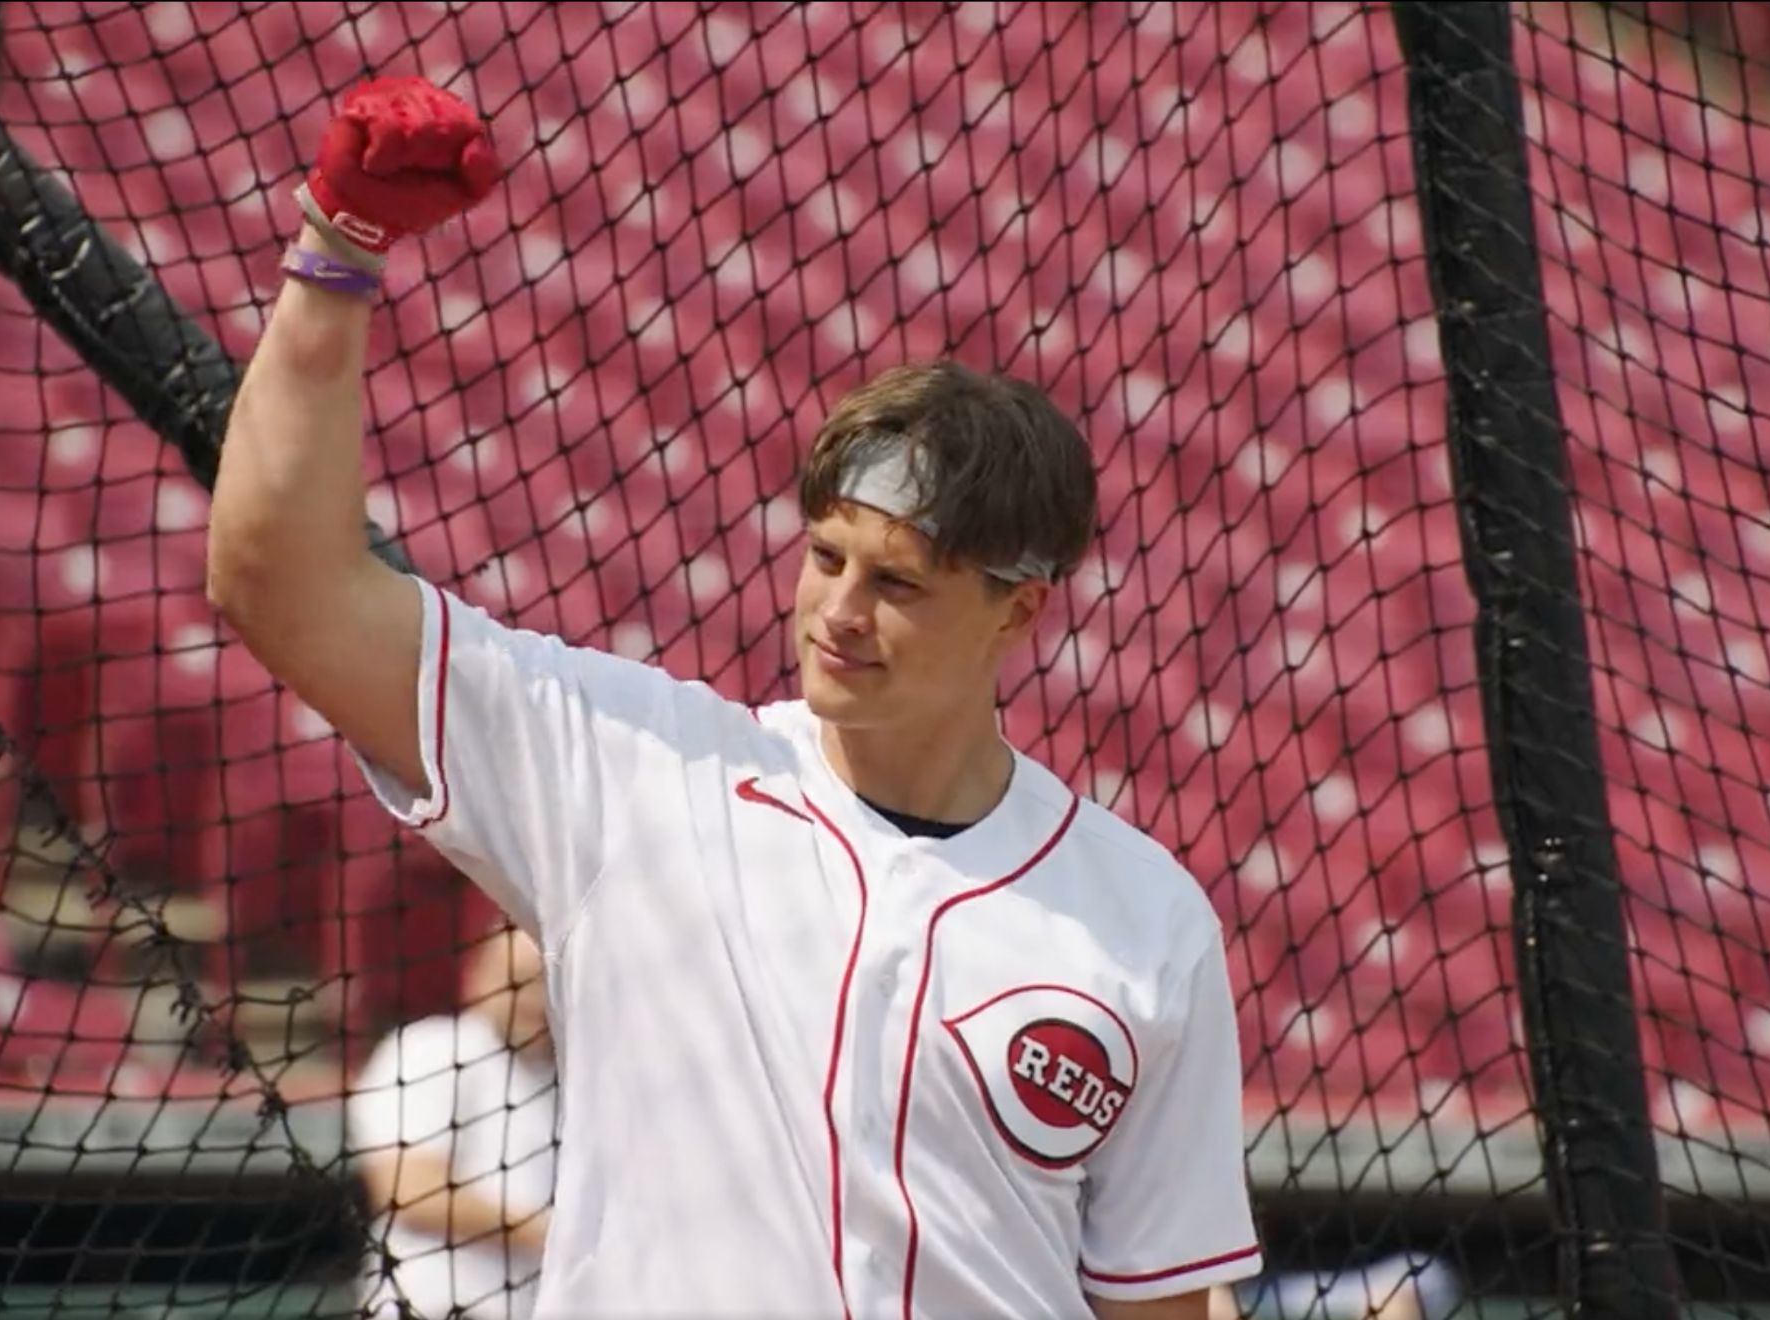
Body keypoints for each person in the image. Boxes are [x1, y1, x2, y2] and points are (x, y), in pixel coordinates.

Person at [208, 74, 1261, 1318]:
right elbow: (282, 584)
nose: (838, 613)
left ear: (1019, 608)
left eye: (899, 582)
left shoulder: (1141, 920)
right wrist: (339, 252)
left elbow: (1161, 1308)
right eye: (825, 557)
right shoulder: (633, 770)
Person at [347, 922, 558, 1320]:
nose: (531, 1001)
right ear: (475, 980)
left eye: (544, 986)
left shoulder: (570, 1081)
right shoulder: (437, 1048)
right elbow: (412, 1193)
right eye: (518, 982)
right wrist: (550, 1234)